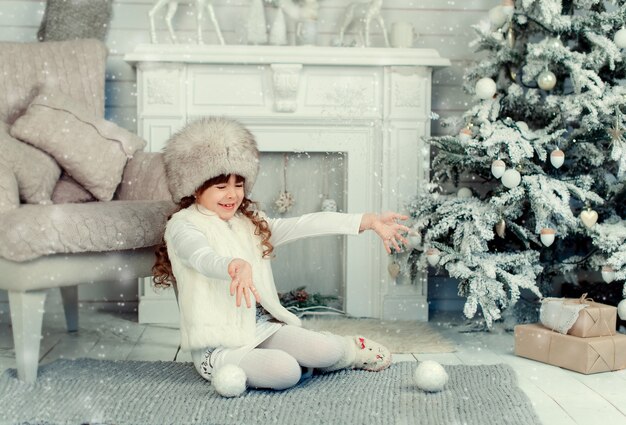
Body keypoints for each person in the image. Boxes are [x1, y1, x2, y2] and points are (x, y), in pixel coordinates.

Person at [153, 116, 410, 391]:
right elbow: (200, 256)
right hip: (218, 344)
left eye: (238, 185)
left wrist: (365, 221)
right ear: (195, 188)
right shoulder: (183, 226)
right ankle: (294, 364)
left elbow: (303, 224)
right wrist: (232, 265)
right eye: (220, 186)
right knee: (284, 372)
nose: (232, 194)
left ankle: (349, 350)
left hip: (261, 328)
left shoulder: (247, 223)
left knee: (325, 351)